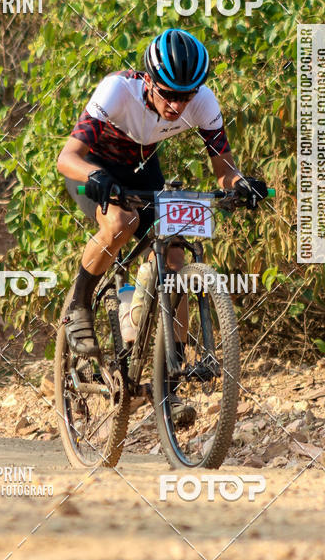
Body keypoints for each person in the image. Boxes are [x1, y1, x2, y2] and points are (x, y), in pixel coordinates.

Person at [56, 28, 268, 369]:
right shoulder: (117, 90)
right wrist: (94, 176)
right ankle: (78, 305)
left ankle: (171, 372)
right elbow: (67, 158)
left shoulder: (203, 101)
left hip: (141, 169)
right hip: (93, 168)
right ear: (148, 80)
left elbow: (224, 170)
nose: (176, 106)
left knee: (174, 255)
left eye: (185, 97)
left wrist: (241, 183)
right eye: (168, 94)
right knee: (121, 222)